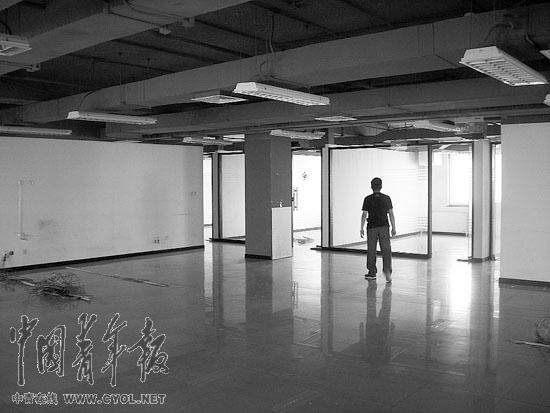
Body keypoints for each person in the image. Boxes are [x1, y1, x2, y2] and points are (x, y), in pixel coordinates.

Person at [360, 177, 396, 282]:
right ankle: (387, 272)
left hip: (372, 228)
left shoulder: (367, 199)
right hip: (384, 227)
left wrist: (361, 227)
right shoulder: (387, 198)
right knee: (386, 250)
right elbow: (391, 213)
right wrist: (393, 227)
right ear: (381, 186)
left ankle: (372, 273)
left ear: (371, 187)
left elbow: (364, 214)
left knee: (371, 250)